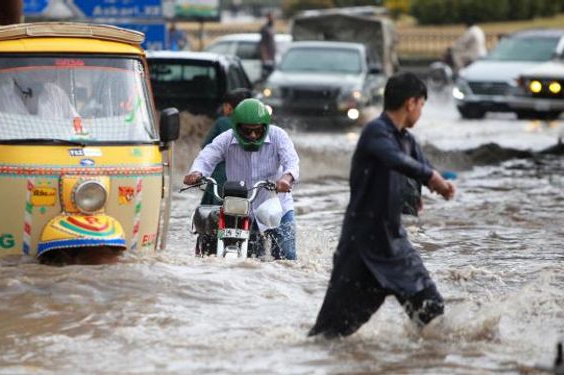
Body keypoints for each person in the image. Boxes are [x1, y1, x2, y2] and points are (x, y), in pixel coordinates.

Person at [308, 72, 456, 338]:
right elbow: (394, 159)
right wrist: (432, 178)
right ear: (411, 103)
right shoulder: (376, 132)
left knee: (431, 313)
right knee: (330, 333)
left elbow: (418, 168)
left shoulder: (407, 140)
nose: (421, 112)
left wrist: (424, 188)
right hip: (360, 247)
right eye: (421, 105)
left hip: (394, 245)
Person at [183, 98, 300, 260]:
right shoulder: (226, 139)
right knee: (251, 260)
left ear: (265, 127)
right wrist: (196, 173)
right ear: (237, 128)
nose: (253, 135)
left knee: (286, 256)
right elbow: (206, 157)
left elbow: (292, 161)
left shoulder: (278, 136)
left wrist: (286, 178)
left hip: (276, 206)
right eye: (247, 131)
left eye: (257, 131)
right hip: (241, 210)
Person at [200, 88, 253, 205]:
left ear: (229, 107)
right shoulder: (257, 125)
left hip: (221, 177)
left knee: (213, 212)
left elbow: (206, 147)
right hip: (248, 178)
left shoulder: (222, 122)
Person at [259, 12, 276, 81]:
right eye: (271, 17)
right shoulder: (265, 28)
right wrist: (264, 57)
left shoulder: (272, 27)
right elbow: (262, 44)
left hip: (272, 56)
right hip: (267, 57)